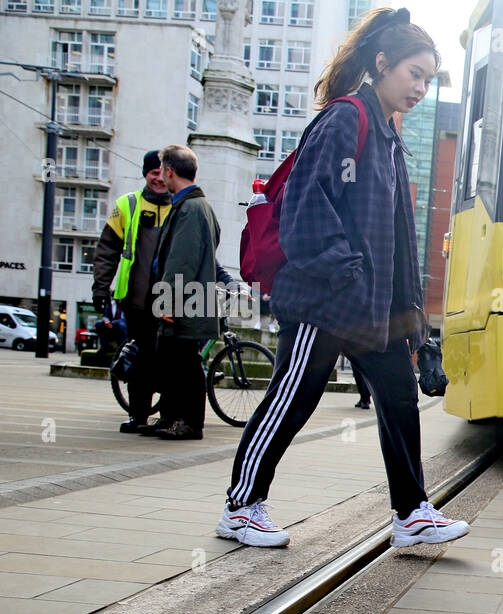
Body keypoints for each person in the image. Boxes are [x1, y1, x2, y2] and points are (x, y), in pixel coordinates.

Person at [216, 7, 468, 549]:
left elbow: (400, 239)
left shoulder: (390, 139)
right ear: (382, 64)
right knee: (294, 396)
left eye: (428, 79)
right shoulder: (344, 119)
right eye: (414, 74)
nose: (421, 88)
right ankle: (241, 507)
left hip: (373, 308)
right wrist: (345, 274)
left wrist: (412, 323)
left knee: (400, 401)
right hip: (324, 300)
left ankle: (412, 514)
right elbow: (308, 207)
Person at [93, 150, 172, 434]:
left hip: (170, 302)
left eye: (164, 173)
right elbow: (106, 251)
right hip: (135, 299)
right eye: (154, 173)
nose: (159, 179)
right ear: (145, 174)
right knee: (139, 359)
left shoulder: (180, 205)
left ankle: (166, 417)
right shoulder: (126, 205)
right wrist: (100, 287)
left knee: (166, 359)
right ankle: (138, 416)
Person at [150, 145, 220, 441]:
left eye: (162, 170)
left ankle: (190, 423)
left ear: (169, 171)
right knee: (176, 360)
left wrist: (169, 300)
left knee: (187, 364)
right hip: (191, 299)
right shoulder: (194, 205)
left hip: (187, 301)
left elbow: (183, 258)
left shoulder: (191, 208)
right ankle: (172, 416)